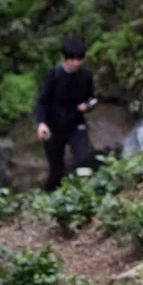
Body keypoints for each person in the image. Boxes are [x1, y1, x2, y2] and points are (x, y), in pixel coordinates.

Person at [35, 38, 96, 192]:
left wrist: (88, 106)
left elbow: (93, 98)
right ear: (64, 58)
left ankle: (85, 194)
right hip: (54, 127)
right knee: (56, 172)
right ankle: (51, 201)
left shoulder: (86, 76)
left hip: (76, 125)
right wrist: (42, 123)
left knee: (84, 161)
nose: (76, 63)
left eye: (79, 59)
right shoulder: (53, 75)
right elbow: (42, 102)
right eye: (72, 59)